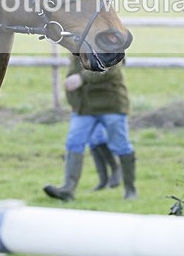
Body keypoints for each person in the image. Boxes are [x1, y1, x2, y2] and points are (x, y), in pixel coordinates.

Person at [43, 57, 137, 201]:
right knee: (74, 143)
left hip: (111, 105)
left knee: (120, 145)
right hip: (84, 107)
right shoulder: (76, 46)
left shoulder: (110, 43)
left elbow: (111, 68)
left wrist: (81, 78)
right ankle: (68, 189)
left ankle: (130, 191)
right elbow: (75, 70)